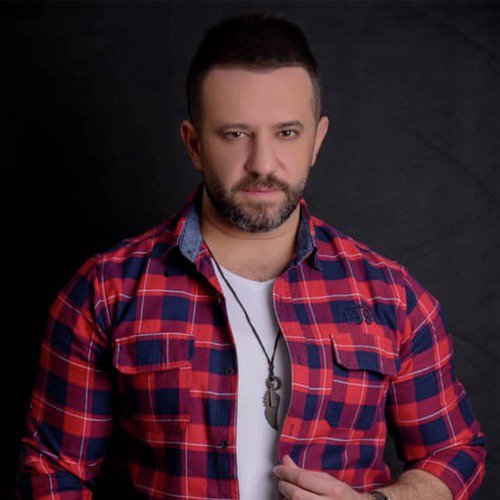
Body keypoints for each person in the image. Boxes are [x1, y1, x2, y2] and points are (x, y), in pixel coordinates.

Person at [15, 11, 487, 500]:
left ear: (317, 140)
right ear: (194, 145)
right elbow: (52, 471)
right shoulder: (106, 292)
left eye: (287, 133)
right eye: (236, 134)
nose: (263, 164)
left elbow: (455, 453)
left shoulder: (393, 297)